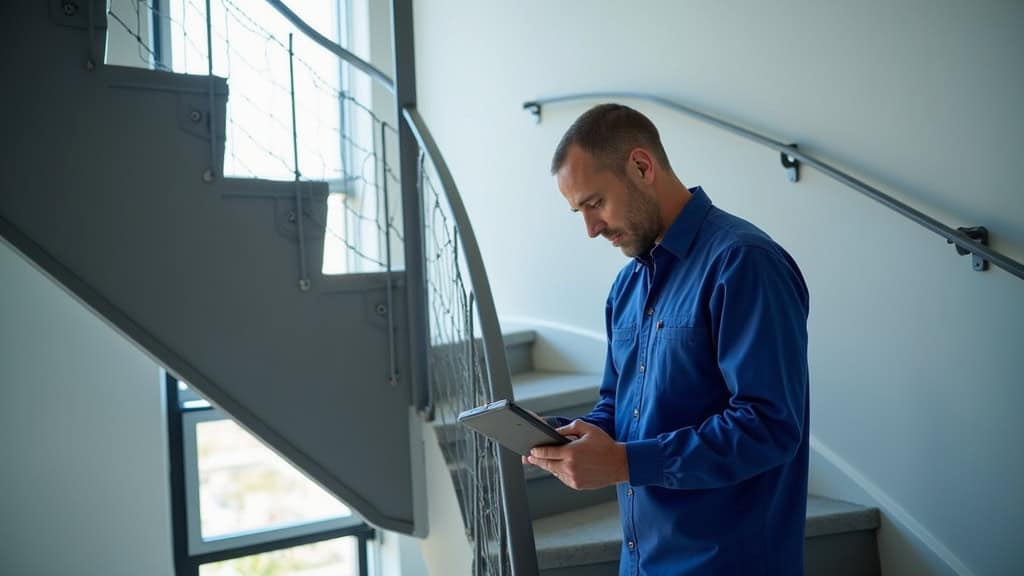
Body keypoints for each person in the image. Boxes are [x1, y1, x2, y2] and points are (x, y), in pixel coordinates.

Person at [525, 103, 811, 575]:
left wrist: (625, 464)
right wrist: (566, 438)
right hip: (642, 563)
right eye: (579, 211)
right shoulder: (626, 288)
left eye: (595, 203)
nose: (590, 229)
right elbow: (618, 409)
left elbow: (768, 426)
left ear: (641, 166)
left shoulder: (744, 263)